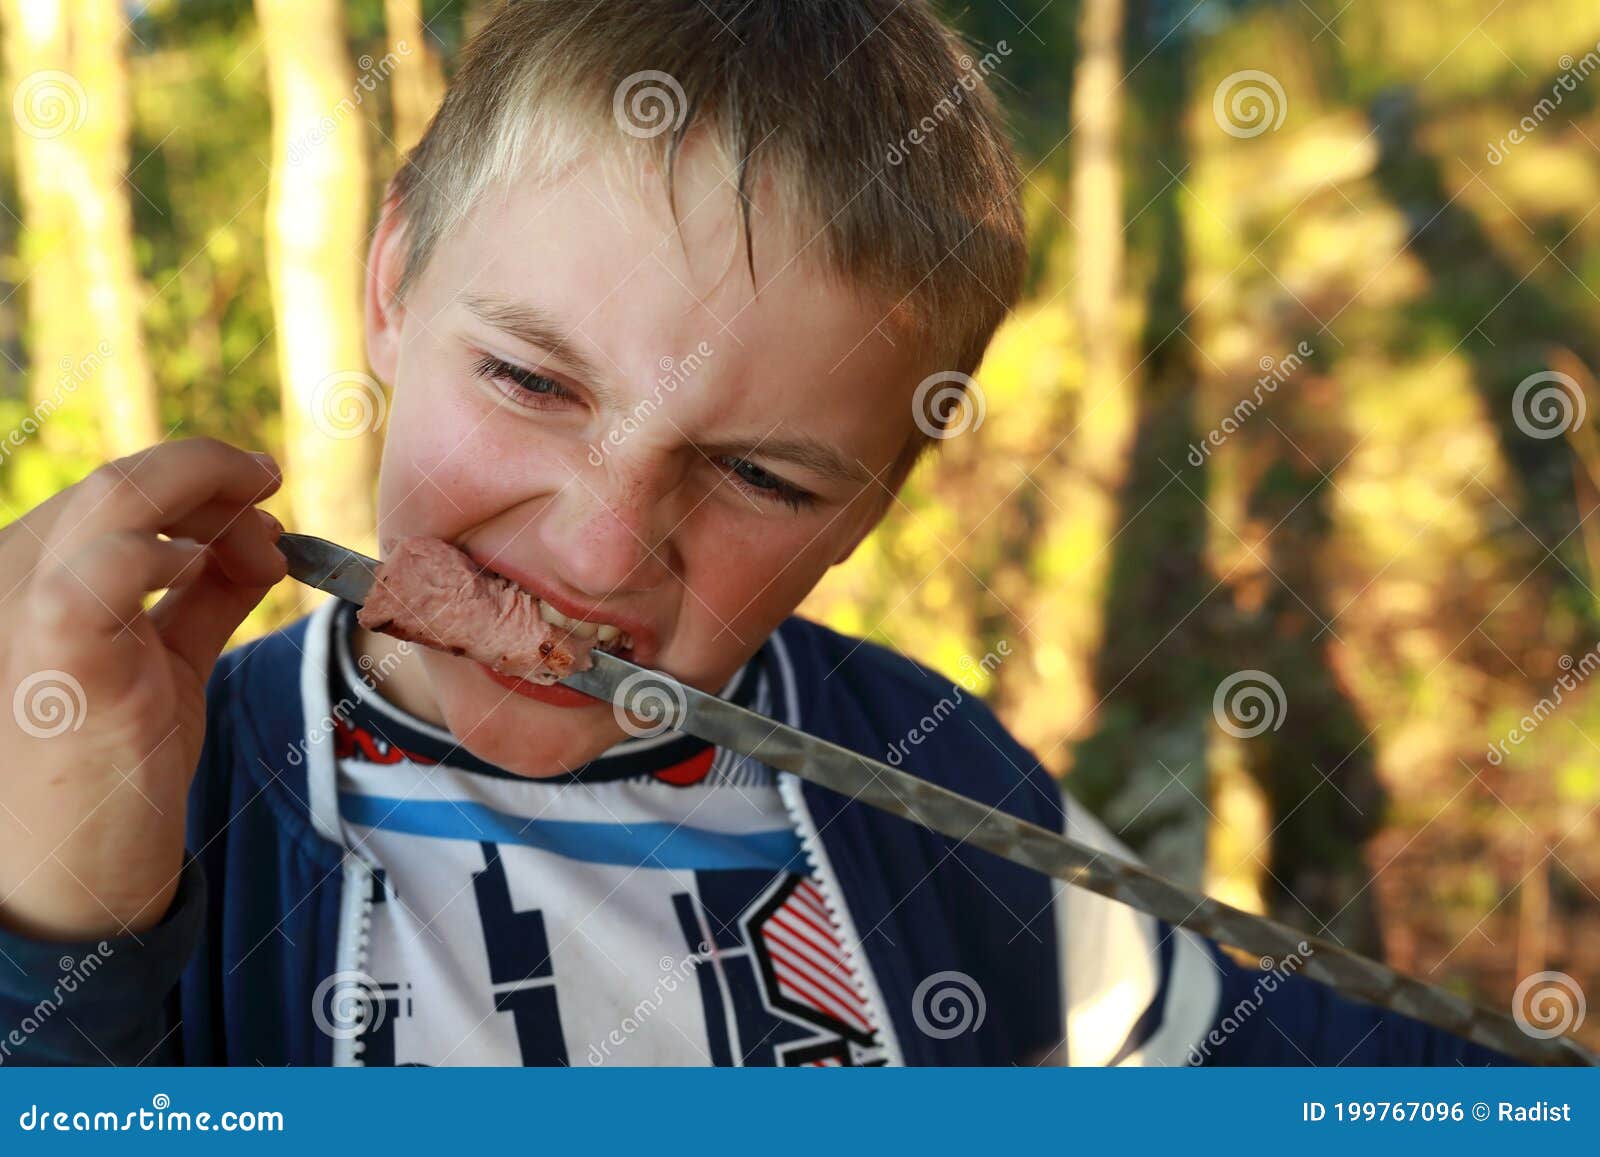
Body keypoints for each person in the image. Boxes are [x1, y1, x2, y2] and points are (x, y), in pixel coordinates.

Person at [0, 0, 1510, 1067]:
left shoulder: (925, 775)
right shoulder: (177, 797)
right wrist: (60, 920)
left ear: (870, 507)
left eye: (766, 480)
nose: (599, 552)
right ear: (393, 279)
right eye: (531, 381)